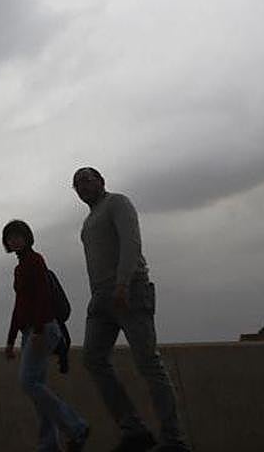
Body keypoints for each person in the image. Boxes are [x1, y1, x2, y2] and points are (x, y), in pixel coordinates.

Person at [72, 166, 192, 452]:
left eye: (87, 180)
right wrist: (99, 295)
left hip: (129, 289)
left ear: (101, 181)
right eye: (76, 184)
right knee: (93, 358)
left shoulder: (118, 203)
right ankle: (134, 430)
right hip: (101, 298)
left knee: (148, 363)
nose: (82, 187)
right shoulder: (88, 223)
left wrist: (123, 283)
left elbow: (131, 243)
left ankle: (173, 440)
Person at [3, 219, 90, 452]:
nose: (15, 240)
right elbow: (19, 306)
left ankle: (76, 426)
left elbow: (42, 296)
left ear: (27, 237)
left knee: (28, 382)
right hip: (30, 331)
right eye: (10, 237)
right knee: (38, 386)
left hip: (42, 329)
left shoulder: (35, 261)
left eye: (18, 235)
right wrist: (11, 340)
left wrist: (39, 330)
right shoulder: (19, 268)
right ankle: (49, 444)